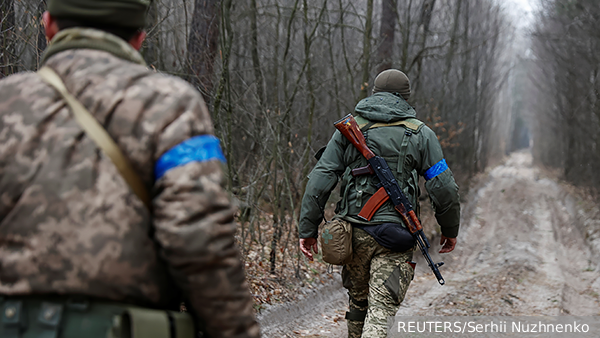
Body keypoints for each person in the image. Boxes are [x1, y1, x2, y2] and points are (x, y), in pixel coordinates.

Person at [0, 0, 259, 337]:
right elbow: (199, 238)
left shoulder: (7, 104)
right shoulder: (171, 105)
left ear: (48, 26)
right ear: (139, 38)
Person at [298, 69, 460, 338]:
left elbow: (321, 178)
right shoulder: (421, 134)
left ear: (374, 93)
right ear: (405, 97)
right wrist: (449, 230)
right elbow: (444, 187)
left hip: (353, 235)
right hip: (396, 238)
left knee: (359, 303)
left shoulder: (351, 131)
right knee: (381, 309)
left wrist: (307, 229)